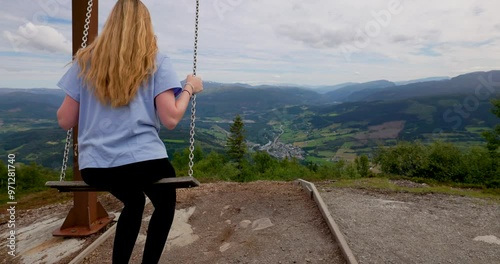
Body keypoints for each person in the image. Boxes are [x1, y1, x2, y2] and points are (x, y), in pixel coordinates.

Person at [56, 0, 203, 263]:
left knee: (134, 202)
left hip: (96, 166)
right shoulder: (156, 60)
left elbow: (65, 120)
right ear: (146, 26)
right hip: (144, 161)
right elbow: (170, 117)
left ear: (111, 23)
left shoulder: (85, 61)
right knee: (165, 204)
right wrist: (189, 87)